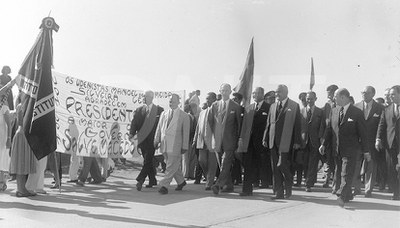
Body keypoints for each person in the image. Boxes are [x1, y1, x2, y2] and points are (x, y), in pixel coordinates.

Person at [320, 88, 369, 207]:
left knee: (346, 173)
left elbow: (363, 133)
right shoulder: (334, 111)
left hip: (351, 149)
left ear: (343, 97)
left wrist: (366, 150)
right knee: (339, 172)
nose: (333, 98)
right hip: (337, 149)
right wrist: (323, 144)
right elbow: (329, 129)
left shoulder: (357, 112)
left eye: (335, 96)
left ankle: (341, 196)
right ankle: (347, 195)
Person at [262, 84, 301, 199]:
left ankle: (288, 187)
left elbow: (297, 125)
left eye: (279, 92)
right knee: (275, 167)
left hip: (286, 141)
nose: (276, 94)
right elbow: (268, 123)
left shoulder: (294, 106)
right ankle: (279, 192)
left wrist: (297, 141)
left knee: (282, 165)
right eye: (276, 92)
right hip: (273, 140)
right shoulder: (272, 106)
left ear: (285, 92)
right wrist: (265, 137)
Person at [209, 83, 242, 195]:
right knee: (222, 164)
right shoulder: (214, 105)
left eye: (227, 90)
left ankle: (218, 184)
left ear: (230, 92)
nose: (224, 92)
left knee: (226, 162)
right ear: (220, 91)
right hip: (218, 140)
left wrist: (238, 140)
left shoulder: (236, 106)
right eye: (222, 90)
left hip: (230, 140)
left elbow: (239, 124)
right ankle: (229, 185)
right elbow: (211, 122)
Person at [237, 87, 270, 196]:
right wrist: (241, 139)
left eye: (256, 93)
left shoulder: (269, 107)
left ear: (262, 94)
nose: (254, 95)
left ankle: (266, 182)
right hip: (249, 142)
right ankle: (246, 189)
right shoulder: (249, 108)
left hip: (262, 142)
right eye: (253, 93)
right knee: (248, 165)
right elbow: (244, 125)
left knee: (263, 164)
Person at [154, 94, 190, 194]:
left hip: (176, 144)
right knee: (172, 164)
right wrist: (156, 139)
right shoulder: (164, 114)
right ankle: (181, 181)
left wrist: (185, 146)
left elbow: (186, 132)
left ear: (178, 102)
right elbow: (159, 128)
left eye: (173, 101)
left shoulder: (184, 115)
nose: (171, 103)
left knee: (170, 165)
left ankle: (164, 185)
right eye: (170, 101)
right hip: (164, 143)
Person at [129, 90, 164, 190]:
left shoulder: (159, 110)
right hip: (142, 139)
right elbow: (134, 123)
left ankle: (140, 180)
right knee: (147, 160)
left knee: (148, 160)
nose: (145, 98)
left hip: (153, 140)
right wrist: (131, 133)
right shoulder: (139, 110)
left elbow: (161, 126)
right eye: (144, 96)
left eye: (147, 96)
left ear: (152, 97)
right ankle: (152, 180)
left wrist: (160, 139)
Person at [353, 86, 383, 198]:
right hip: (357, 142)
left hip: (371, 142)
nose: (364, 94)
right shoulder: (356, 106)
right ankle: (356, 188)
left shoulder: (380, 108)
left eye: (366, 92)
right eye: (362, 92)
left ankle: (368, 190)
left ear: (373, 94)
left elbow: (381, 124)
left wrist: (378, 139)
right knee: (356, 165)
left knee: (371, 166)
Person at [376, 85, 400, 200]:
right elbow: (382, 125)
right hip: (390, 143)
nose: (390, 96)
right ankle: (396, 192)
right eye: (390, 94)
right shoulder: (386, 109)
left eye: (393, 94)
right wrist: (378, 139)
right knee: (391, 169)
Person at [10, 103, 37, 197]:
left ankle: (21, 188)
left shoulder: (21, 105)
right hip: (24, 134)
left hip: (20, 133)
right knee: (22, 163)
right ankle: (21, 189)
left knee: (21, 162)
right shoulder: (27, 105)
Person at [300, 91, 324, 192]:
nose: (309, 101)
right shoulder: (301, 111)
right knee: (305, 162)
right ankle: (307, 179)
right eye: (308, 99)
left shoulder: (320, 112)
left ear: (315, 99)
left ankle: (308, 183)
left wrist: (321, 141)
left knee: (313, 163)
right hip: (303, 141)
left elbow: (322, 127)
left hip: (315, 141)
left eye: (311, 99)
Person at [193, 92, 217, 190]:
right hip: (201, 140)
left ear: (214, 99)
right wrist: (195, 139)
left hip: (212, 141)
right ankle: (209, 177)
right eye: (206, 98)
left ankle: (209, 182)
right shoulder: (202, 112)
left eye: (209, 98)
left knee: (212, 162)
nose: (207, 100)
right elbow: (198, 127)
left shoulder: (217, 111)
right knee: (201, 160)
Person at [322, 84, 339, 189]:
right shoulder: (327, 105)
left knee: (336, 160)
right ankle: (328, 180)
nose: (328, 95)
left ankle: (335, 182)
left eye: (329, 92)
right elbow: (323, 122)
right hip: (328, 135)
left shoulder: (340, 104)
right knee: (328, 160)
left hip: (337, 136)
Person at [0, 87, 11, 191]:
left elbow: (9, 124)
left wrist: (9, 137)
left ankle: (2, 182)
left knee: (2, 159)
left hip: (2, 138)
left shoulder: (4, 108)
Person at [182, 103, 197, 180]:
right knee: (188, 158)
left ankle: (189, 174)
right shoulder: (189, 117)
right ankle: (188, 174)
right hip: (189, 140)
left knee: (189, 158)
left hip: (190, 140)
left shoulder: (192, 117)